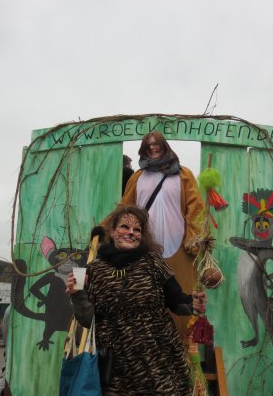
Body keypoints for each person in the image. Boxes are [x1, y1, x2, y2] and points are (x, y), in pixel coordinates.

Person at [66, 204, 207, 395]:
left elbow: (177, 301)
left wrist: (193, 303)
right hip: (117, 364)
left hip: (158, 357)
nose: (131, 232)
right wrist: (78, 295)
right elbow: (87, 319)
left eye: (137, 229)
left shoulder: (153, 262)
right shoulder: (94, 270)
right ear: (112, 231)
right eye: (125, 227)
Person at [121, 130, 204, 337]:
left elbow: (196, 209)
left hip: (179, 249)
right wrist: (107, 232)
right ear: (144, 149)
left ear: (164, 145)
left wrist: (193, 238)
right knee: (144, 299)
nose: (153, 147)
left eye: (156, 143)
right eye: (148, 145)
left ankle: (183, 347)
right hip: (142, 251)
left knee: (183, 298)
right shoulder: (137, 177)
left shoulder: (183, 174)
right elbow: (125, 209)